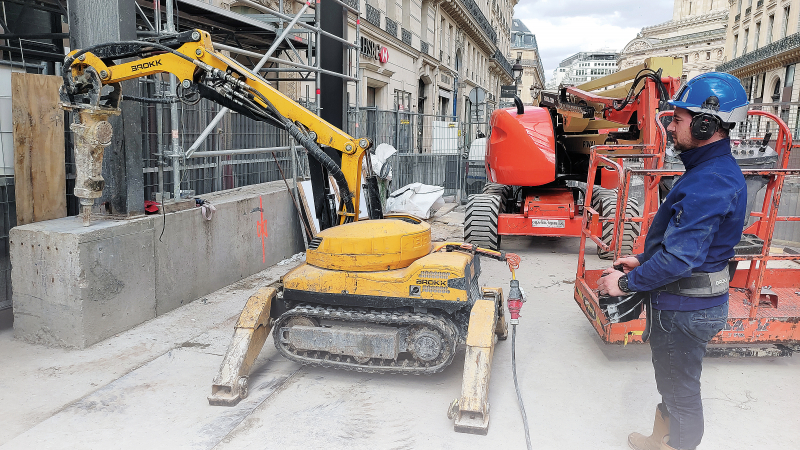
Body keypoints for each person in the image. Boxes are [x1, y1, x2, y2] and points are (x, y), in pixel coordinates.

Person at [596, 72, 749, 450]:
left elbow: (681, 257)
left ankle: (675, 445)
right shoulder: (706, 171)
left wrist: (626, 283)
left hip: (686, 308)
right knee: (672, 381)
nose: (671, 125)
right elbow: (682, 241)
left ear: (705, 123)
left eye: (678, 118)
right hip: (687, 304)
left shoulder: (710, 181)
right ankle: (658, 438)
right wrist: (642, 258)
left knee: (681, 390)